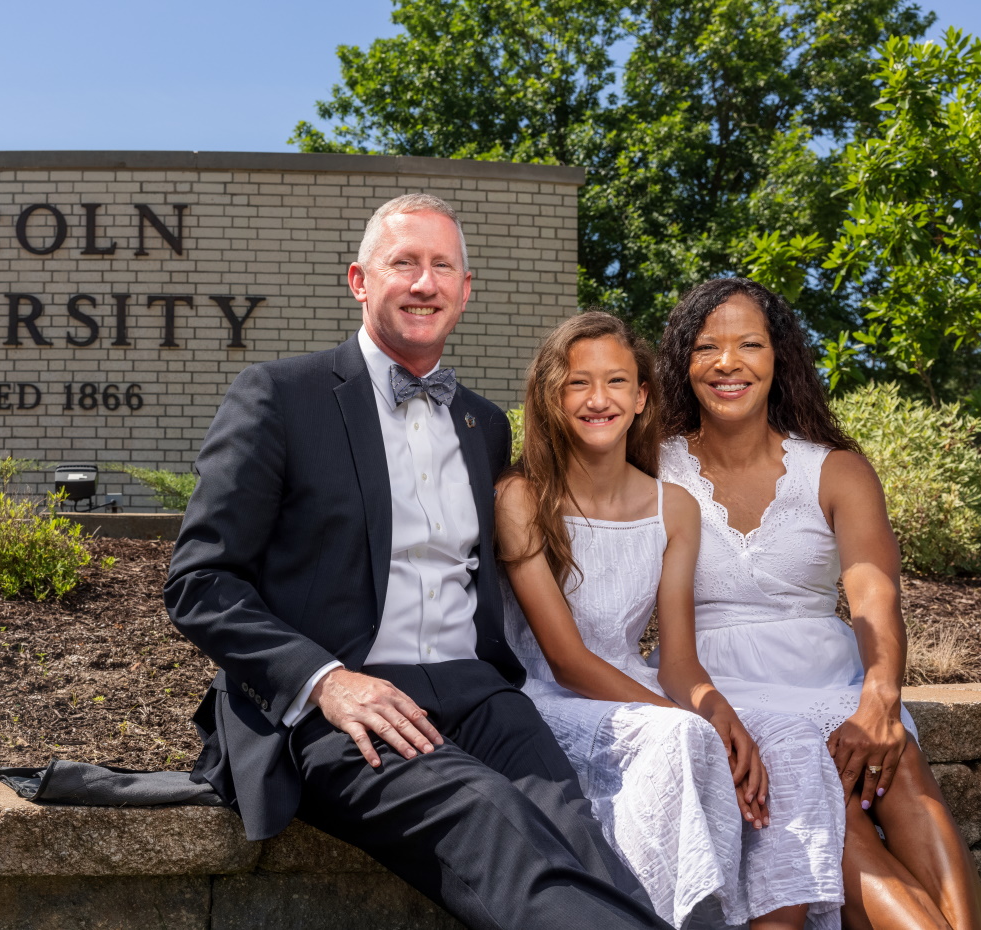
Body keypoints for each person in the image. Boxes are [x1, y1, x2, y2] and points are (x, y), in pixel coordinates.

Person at [165, 193, 671, 930]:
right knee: (491, 819)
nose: (424, 283)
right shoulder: (279, 397)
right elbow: (200, 583)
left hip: (477, 692)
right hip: (346, 703)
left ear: (466, 291)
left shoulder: (483, 425)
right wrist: (327, 683)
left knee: (580, 835)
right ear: (359, 280)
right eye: (404, 263)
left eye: (443, 267)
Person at [496, 311, 845, 930]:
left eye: (617, 383)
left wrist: (720, 712)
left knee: (787, 736)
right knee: (682, 738)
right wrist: (696, 725)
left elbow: (678, 660)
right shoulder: (522, 498)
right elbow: (566, 660)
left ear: (642, 397)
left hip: (640, 688)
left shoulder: (673, 507)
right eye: (578, 383)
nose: (598, 399)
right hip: (549, 697)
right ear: (551, 397)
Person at [655, 277, 981, 930]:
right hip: (722, 686)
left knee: (902, 770)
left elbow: (873, 590)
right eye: (706, 347)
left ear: (780, 358)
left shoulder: (834, 469)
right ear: (681, 363)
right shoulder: (653, 467)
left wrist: (881, 696)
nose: (728, 363)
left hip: (827, 676)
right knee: (846, 829)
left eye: (749, 344)